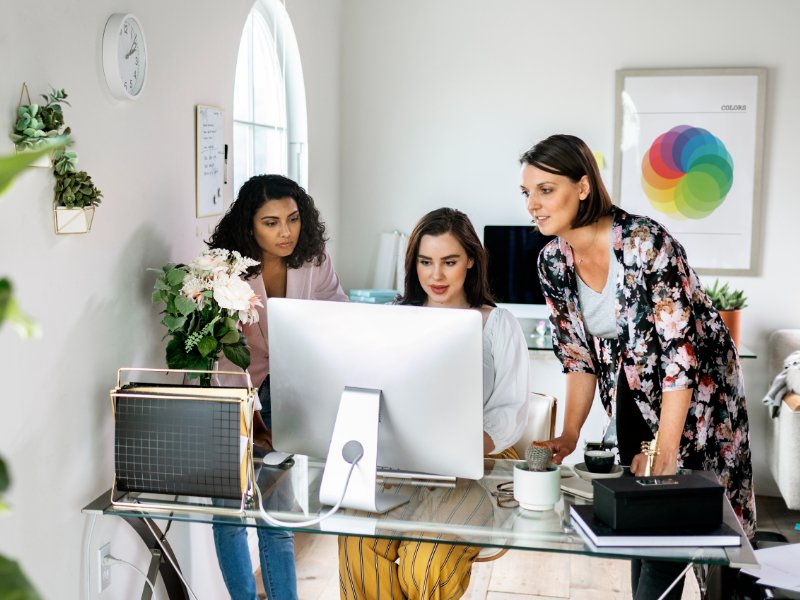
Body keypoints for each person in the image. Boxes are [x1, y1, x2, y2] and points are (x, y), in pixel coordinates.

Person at [520, 134, 755, 600]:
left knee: (696, 528)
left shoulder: (645, 243)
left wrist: (667, 447)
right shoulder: (552, 263)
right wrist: (569, 435)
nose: (533, 205)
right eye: (527, 193)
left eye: (546, 190)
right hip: (630, 395)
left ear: (583, 187)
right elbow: (577, 356)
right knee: (644, 525)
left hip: (698, 396)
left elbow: (680, 356)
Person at [338, 207, 530, 600]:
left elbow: (510, 410)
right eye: (425, 262)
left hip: (480, 460)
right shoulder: (394, 318)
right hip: (404, 459)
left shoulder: (498, 323)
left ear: (471, 260)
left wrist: (464, 447)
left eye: (449, 262)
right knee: (356, 539)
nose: (436, 275)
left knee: (424, 564)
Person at [208, 174, 348, 600]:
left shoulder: (313, 259)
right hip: (234, 393)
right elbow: (220, 349)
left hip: (287, 390)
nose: (286, 232)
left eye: (293, 218)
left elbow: (337, 313)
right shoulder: (224, 269)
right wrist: (248, 414)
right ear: (249, 226)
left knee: (279, 514)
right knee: (229, 514)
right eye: (271, 223)